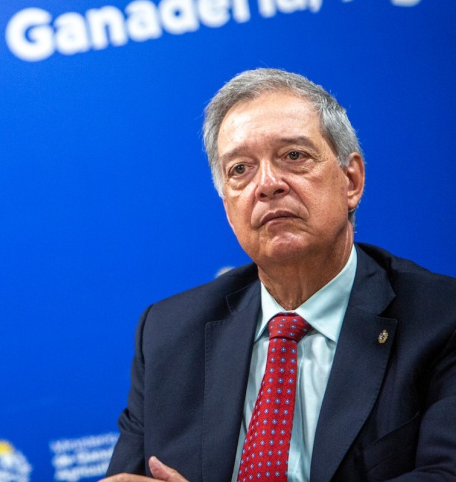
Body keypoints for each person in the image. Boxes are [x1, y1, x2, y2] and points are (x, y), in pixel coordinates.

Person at [101, 69, 456, 481]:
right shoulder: (167, 335)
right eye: (240, 169)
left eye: (294, 156)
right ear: (228, 209)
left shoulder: (441, 319)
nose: (267, 185)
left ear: (351, 181)